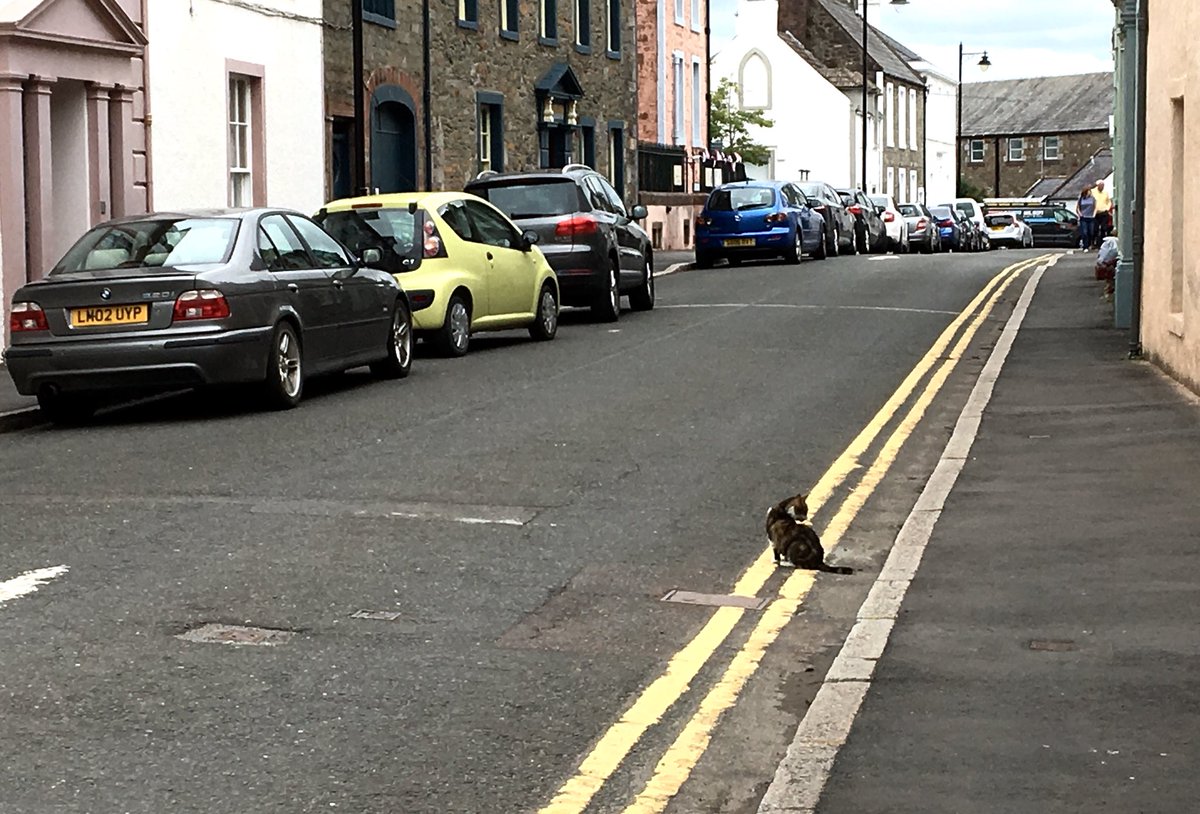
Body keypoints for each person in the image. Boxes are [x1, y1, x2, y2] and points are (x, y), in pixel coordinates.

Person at [1077, 184, 1097, 250]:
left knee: (1091, 232)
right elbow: (1078, 208)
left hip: (1091, 217)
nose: (1090, 192)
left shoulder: (1093, 198)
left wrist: (1094, 214)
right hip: (1083, 218)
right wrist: (1080, 214)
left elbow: (1095, 207)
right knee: (1085, 232)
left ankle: (1090, 244)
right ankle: (1085, 246)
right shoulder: (1081, 199)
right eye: (1089, 191)